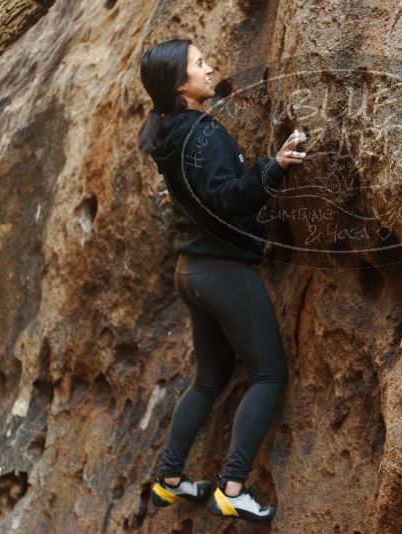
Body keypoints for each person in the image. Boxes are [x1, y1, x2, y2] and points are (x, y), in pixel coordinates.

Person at [136, 38, 306, 523]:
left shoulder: (167, 132)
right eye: (200, 64)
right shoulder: (202, 133)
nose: (211, 69)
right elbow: (230, 198)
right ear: (179, 84)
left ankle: (170, 479)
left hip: (192, 271)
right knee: (269, 375)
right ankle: (233, 486)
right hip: (224, 272)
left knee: (210, 378)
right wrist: (275, 168)